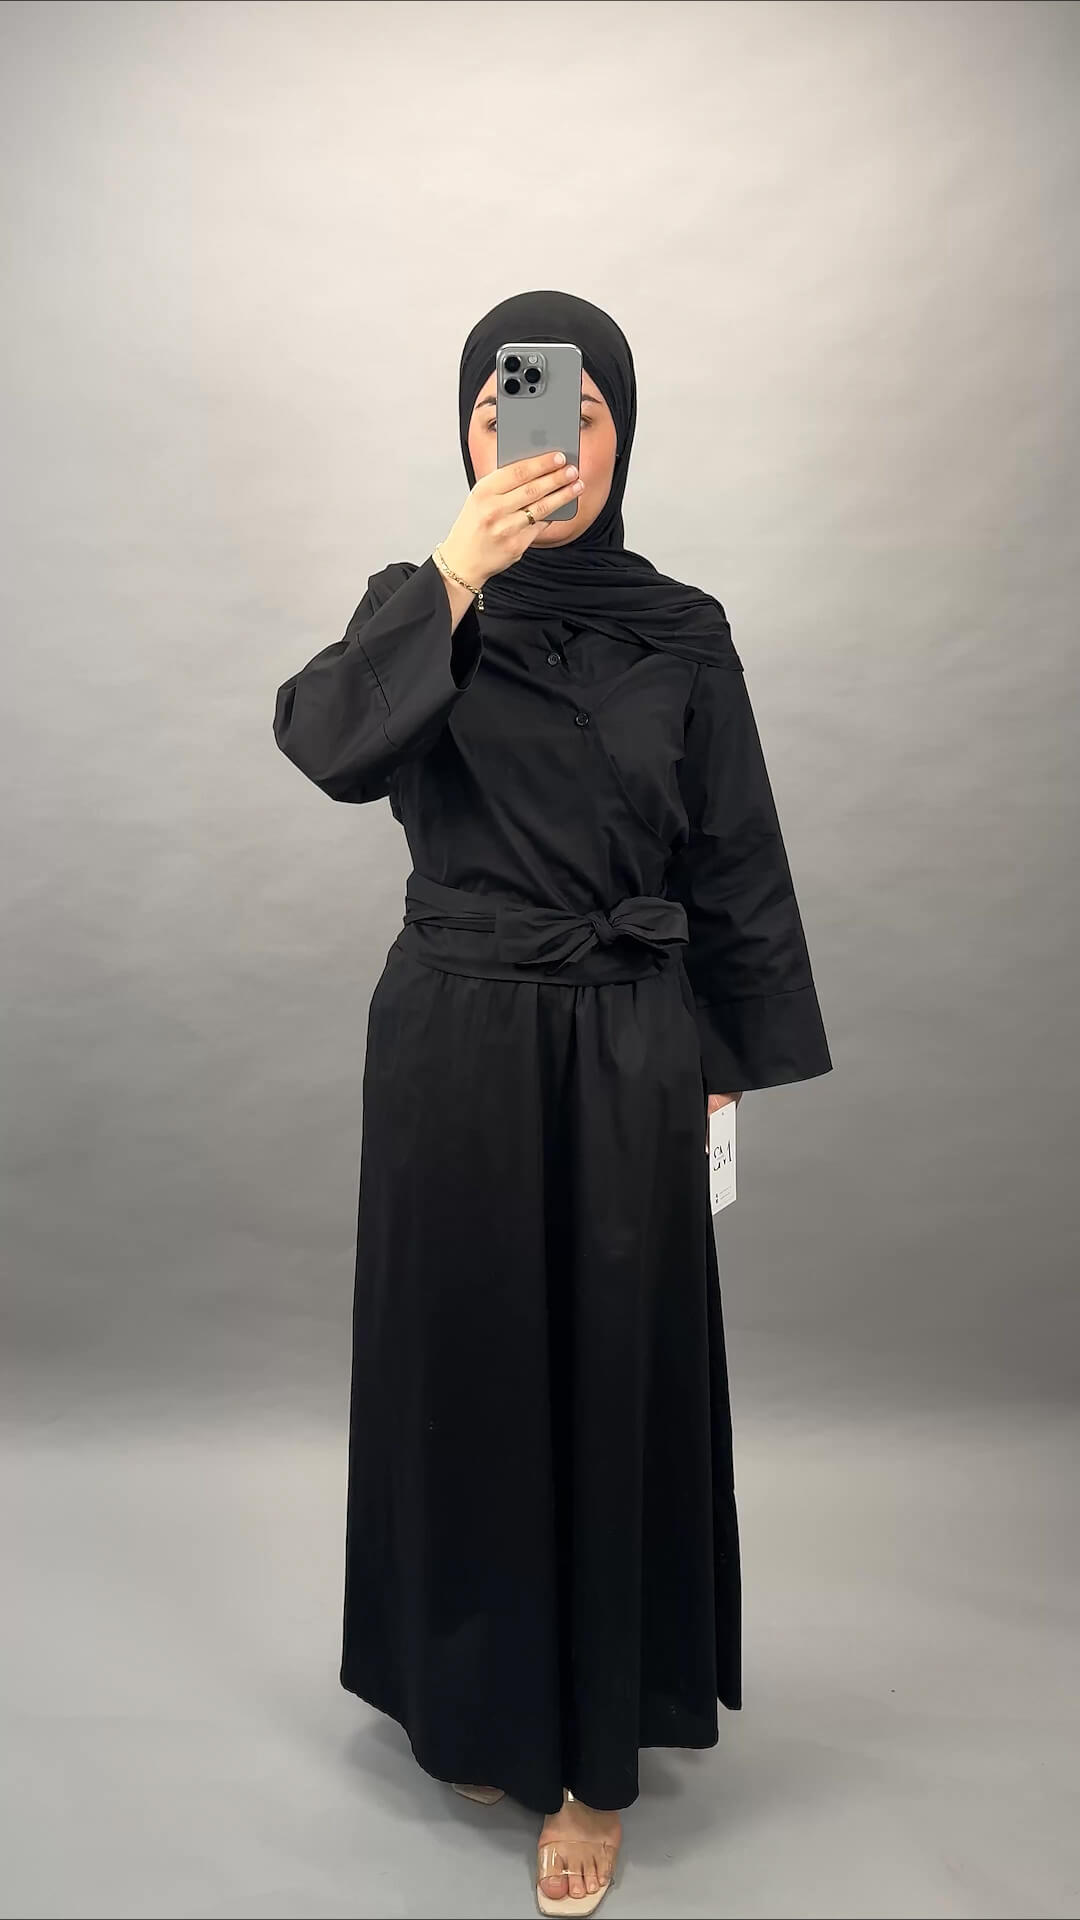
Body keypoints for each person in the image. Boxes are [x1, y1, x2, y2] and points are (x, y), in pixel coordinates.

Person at [273, 290, 833, 1915]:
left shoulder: (684, 628)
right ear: (466, 432)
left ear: (623, 432)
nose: (546, 441)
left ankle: (591, 1762)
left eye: (578, 411)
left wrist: (720, 1076)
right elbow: (325, 744)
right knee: (464, 1371)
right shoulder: (418, 606)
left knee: (611, 1376)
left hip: (628, 1041)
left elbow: (735, 857)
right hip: (451, 1046)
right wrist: (456, 574)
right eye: (508, 408)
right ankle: (477, 1699)